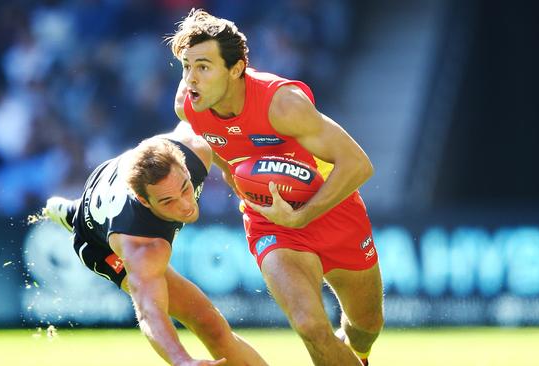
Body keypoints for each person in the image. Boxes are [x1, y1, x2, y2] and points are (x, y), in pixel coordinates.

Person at [168, 10, 384, 366]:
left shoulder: (282, 104)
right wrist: (246, 190)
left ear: (236, 69)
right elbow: (224, 155)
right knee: (310, 325)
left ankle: (357, 354)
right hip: (270, 222)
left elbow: (358, 164)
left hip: (332, 208)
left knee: (367, 325)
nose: (191, 79)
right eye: (186, 67)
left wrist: (304, 215)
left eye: (203, 67)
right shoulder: (188, 107)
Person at [42, 122, 267, 366]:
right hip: (97, 243)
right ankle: (74, 215)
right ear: (145, 201)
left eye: (185, 188)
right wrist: (182, 361)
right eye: (168, 201)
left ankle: (69, 209)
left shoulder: (195, 149)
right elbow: (150, 313)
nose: (185, 205)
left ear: (184, 166)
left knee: (213, 326)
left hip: (117, 175)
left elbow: (190, 108)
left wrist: (239, 180)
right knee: (203, 320)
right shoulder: (140, 245)